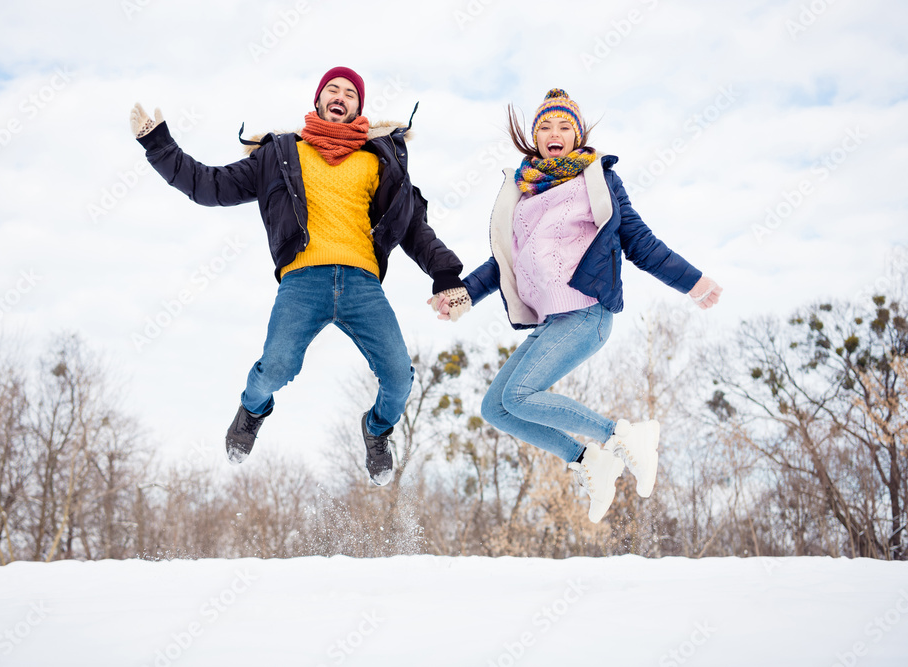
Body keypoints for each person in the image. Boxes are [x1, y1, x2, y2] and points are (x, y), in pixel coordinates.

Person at [130, 66, 467, 486]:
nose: (340, 95)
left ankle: (377, 431)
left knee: (399, 377)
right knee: (275, 368)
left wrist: (446, 274)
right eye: (332, 89)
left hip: (362, 284)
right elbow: (209, 185)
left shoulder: (378, 161)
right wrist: (159, 145)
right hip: (302, 282)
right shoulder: (280, 154)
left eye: (349, 92)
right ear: (319, 100)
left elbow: (414, 228)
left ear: (360, 106)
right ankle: (252, 411)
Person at [431, 89, 722, 522]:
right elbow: (504, 264)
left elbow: (639, 242)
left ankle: (623, 436)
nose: (555, 133)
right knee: (496, 408)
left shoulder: (597, 180)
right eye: (546, 126)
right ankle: (588, 460)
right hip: (551, 322)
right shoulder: (523, 193)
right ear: (534, 137)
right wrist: (464, 294)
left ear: (577, 134)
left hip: (587, 311)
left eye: (565, 126)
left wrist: (693, 282)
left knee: (521, 394)